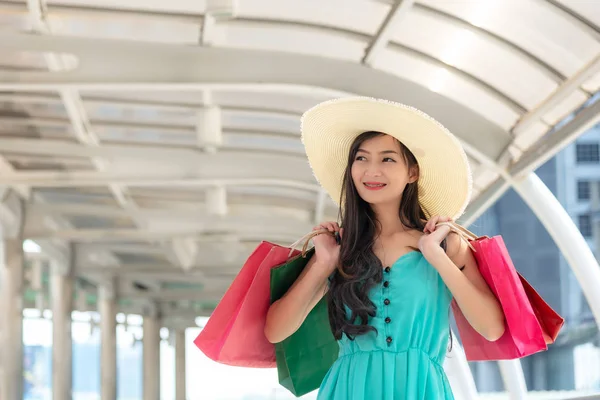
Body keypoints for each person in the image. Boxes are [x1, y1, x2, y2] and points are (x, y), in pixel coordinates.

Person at [264, 97, 506, 399]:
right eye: (361, 158)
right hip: (349, 390)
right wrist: (322, 264)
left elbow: (492, 328)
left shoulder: (444, 244)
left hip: (420, 389)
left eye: (387, 159)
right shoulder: (340, 249)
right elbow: (276, 331)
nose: (371, 171)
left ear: (412, 172)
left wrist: (436, 257)